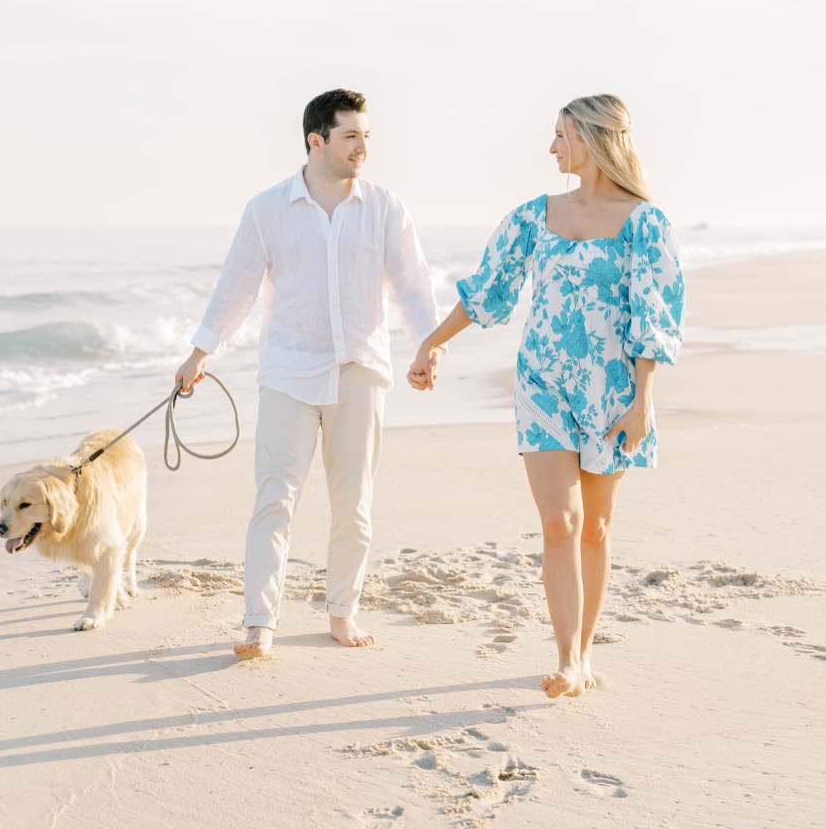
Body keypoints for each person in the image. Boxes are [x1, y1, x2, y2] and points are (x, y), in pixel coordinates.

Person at [408, 94, 684, 698]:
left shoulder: (645, 221)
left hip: (612, 393)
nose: (551, 147)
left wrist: (644, 399)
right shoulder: (534, 217)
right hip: (543, 383)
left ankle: (584, 654)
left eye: (561, 135)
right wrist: (433, 342)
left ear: (593, 139)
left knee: (597, 528)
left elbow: (654, 315)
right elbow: (488, 290)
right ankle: (566, 661)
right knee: (560, 521)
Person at [175, 89, 441, 660]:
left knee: (354, 505)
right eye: (351, 136)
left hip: (360, 371)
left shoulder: (385, 207)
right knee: (274, 499)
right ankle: (260, 621)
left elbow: (413, 285)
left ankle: (342, 612)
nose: (363, 148)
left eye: (367, 136)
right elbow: (237, 286)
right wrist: (201, 352)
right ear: (316, 140)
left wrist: (428, 345)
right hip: (289, 373)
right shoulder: (266, 209)